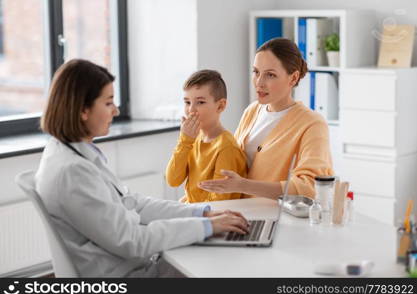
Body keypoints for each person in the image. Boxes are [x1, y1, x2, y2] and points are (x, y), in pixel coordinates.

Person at [35, 59, 249, 277]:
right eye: (108, 103)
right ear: (83, 110)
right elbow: (133, 240)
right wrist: (207, 226)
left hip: (132, 264)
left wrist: (203, 213)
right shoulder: (73, 172)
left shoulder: (71, 154)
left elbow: (133, 204)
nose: (116, 111)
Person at [199, 38, 334, 200]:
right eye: (256, 72)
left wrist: (243, 185)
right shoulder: (252, 111)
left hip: (275, 219)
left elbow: (311, 186)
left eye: (270, 75)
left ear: (293, 78)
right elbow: (234, 163)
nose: (259, 83)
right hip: (239, 213)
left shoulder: (312, 124)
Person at [165, 70, 247, 203]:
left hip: (213, 217)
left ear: (220, 106)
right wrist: (184, 141)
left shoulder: (226, 148)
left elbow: (218, 202)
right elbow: (173, 180)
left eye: (200, 102)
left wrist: (188, 209)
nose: (191, 110)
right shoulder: (192, 140)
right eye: (187, 102)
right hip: (196, 213)